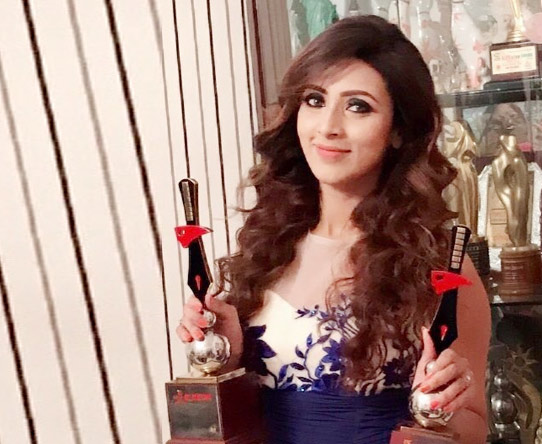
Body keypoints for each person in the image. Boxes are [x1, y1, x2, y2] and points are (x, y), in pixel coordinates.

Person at [176, 15, 491, 444]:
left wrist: (442, 408)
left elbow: (474, 427)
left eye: (358, 106)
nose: (328, 127)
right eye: (315, 100)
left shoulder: (438, 267)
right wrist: (228, 357)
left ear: (399, 130)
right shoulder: (267, 246)